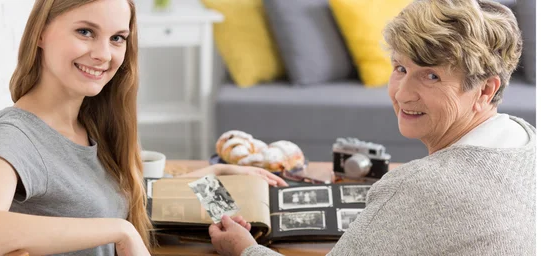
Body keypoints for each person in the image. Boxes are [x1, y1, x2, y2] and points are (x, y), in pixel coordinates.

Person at [0, 0, 287, 256]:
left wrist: (217, 171)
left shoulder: (89, 120)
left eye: (117, 38)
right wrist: (120, 230)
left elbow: (125, 191)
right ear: (40, 33)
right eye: (85, 32)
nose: (104, 54)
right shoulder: (16, 136)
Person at [208, 0, 535, 255]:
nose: (403, 94)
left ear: (486, 90)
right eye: (400, 67)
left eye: (432, 75)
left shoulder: (423, 186)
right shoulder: (528, 140)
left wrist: (243, 248)